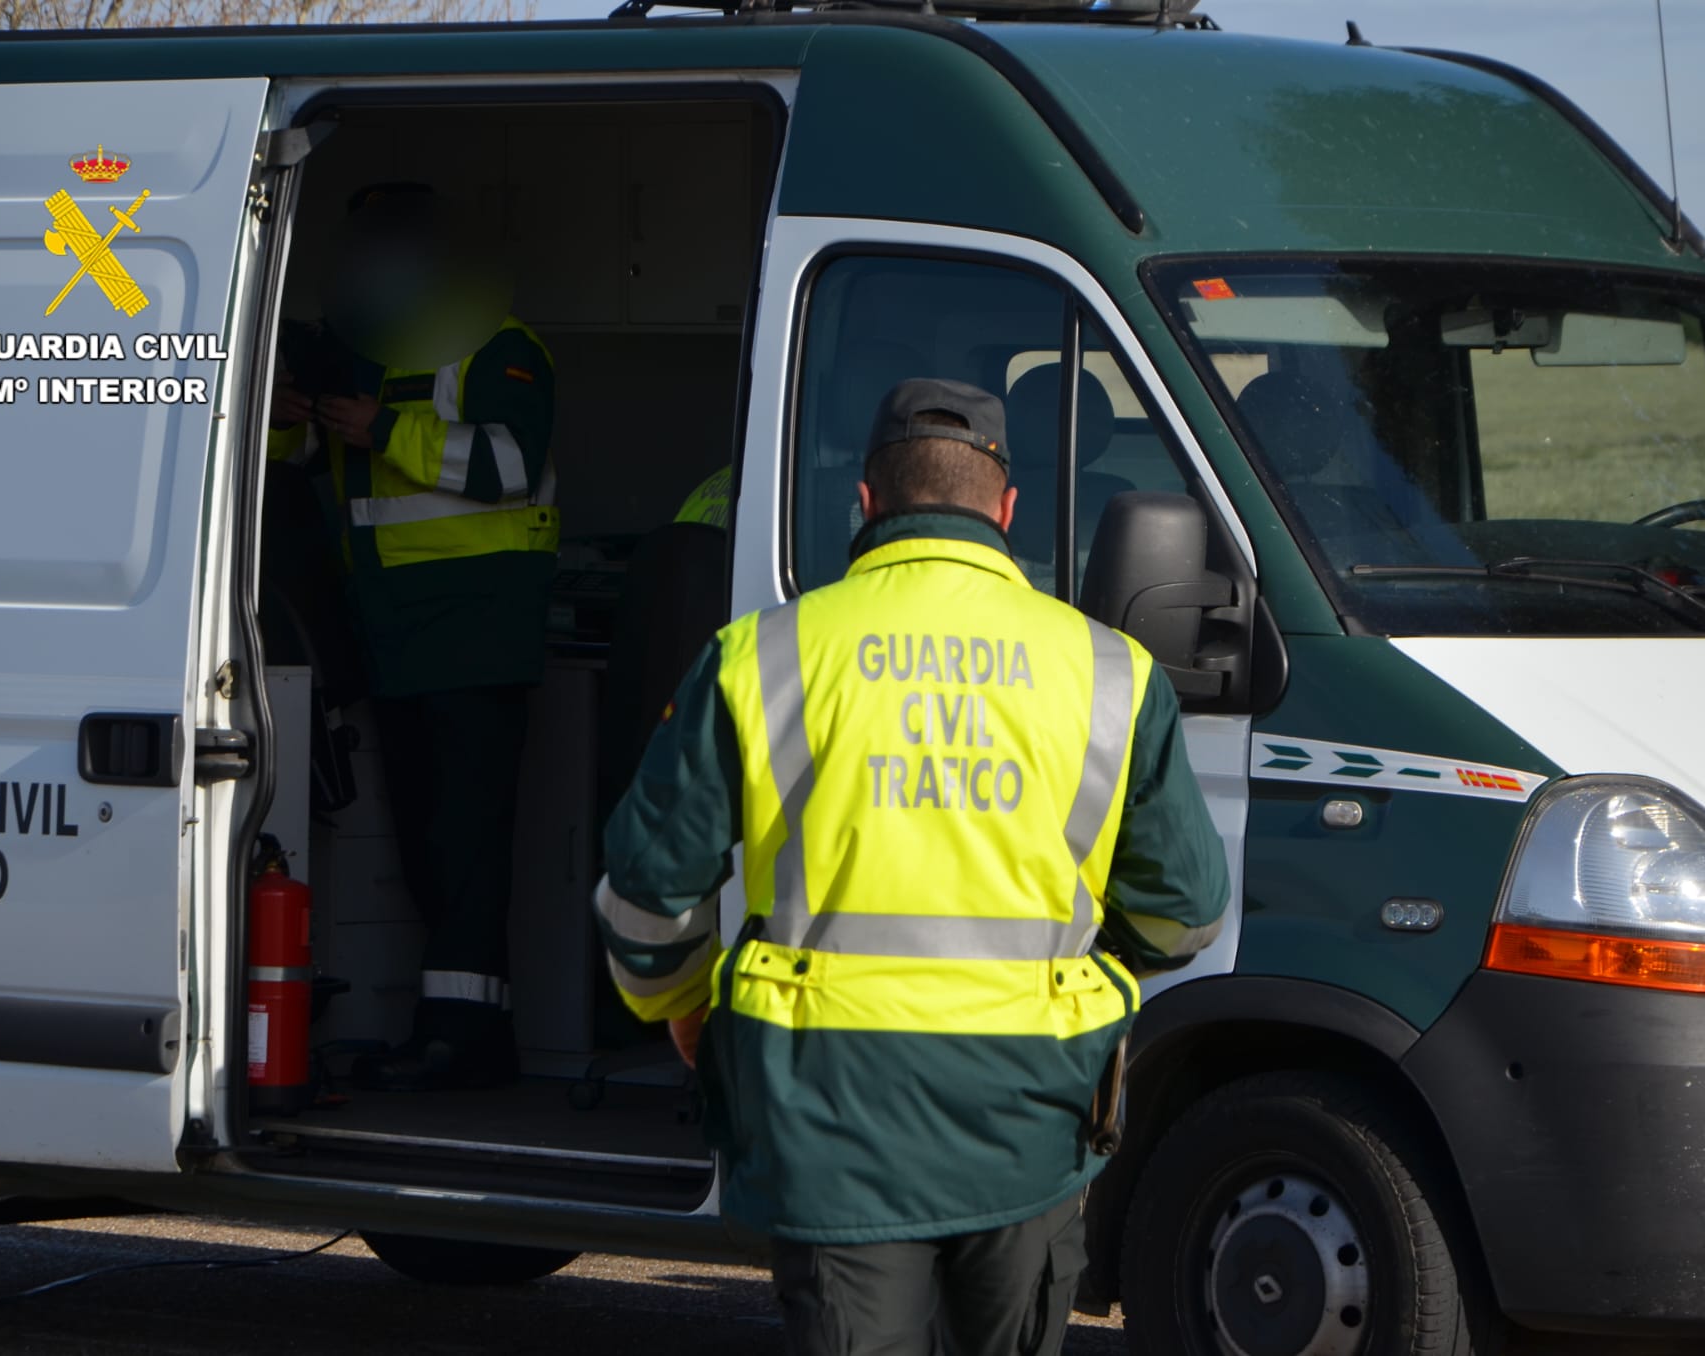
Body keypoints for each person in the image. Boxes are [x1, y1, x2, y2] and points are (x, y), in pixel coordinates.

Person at [593, 378, 1228, 1354]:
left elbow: (643, 894)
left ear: (867, 502)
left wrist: (681, 1007)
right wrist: (1085, 978)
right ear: (1006, 511)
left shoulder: (763, 658)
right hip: (1031, 1115)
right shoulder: (1109, 672)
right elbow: (1184, 915)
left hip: (829, 1117)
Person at [268, 183, 558, 1092]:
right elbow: (322, 472)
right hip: (394, 638)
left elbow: (507, 466)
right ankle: (456, 1033)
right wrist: (288, 427)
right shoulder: (370, 356)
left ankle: (462, 1043)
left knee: (467, 847)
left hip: (475, 635)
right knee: (430, 846)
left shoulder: (504, 348)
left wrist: (384, 428)